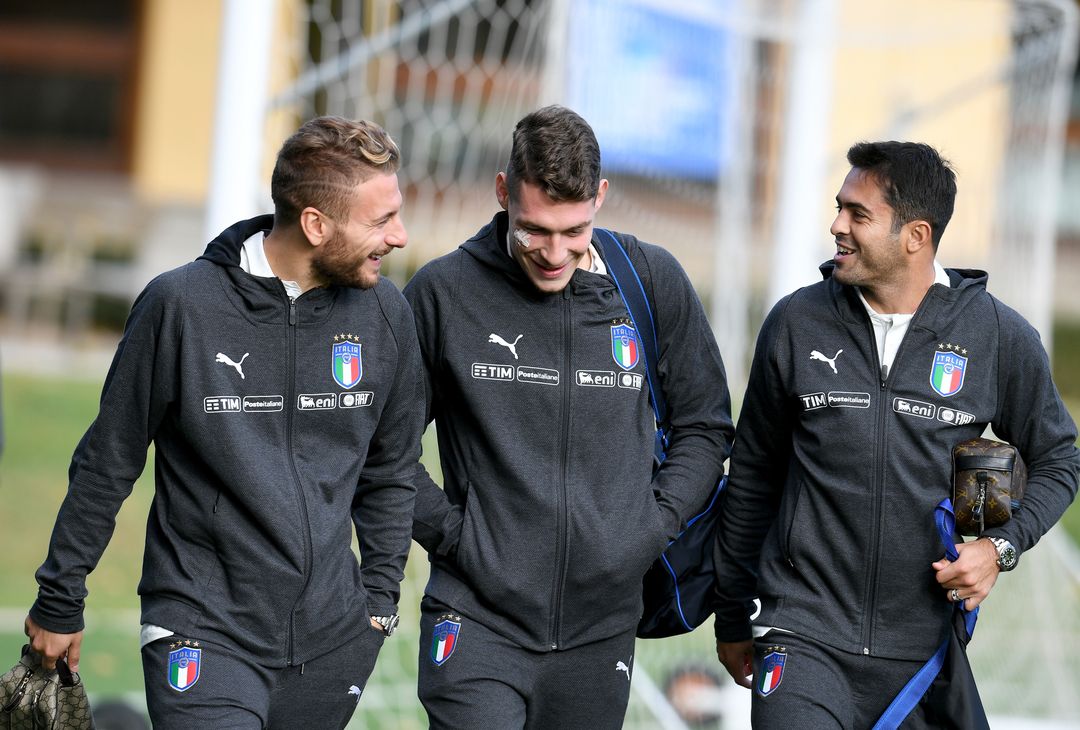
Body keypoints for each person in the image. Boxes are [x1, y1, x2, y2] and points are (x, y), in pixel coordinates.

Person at [24, 116, 424, 729]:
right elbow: (109, 459)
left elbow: (392, 470)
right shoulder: (180, 306)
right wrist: (60, 596)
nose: (399, 236)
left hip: (334, 639)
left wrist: (378, 605)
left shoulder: (388, 315)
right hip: (201, 627)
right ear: (315, 225)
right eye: (381, 220)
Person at [713, 141, 1079, 727]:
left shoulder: (997, 336)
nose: (837, 226)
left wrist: (997, 548)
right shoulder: (795, 321)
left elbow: (1060, 459)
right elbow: (753, 475)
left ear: (916, 235)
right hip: (802, 632)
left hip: (922, 652)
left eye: (859, 215)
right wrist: (731, 613)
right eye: (840, 207)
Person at [403, 104, 734, 729]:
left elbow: (706, 426)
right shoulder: (442, 292)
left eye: (574, 231)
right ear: (503, 193)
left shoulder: (650, 281)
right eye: (534, 230)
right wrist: (458, 537)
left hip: (601, 629)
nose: (555, 253)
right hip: (475, 615)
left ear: (601, 198)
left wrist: (650, 526)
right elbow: (384, 447)